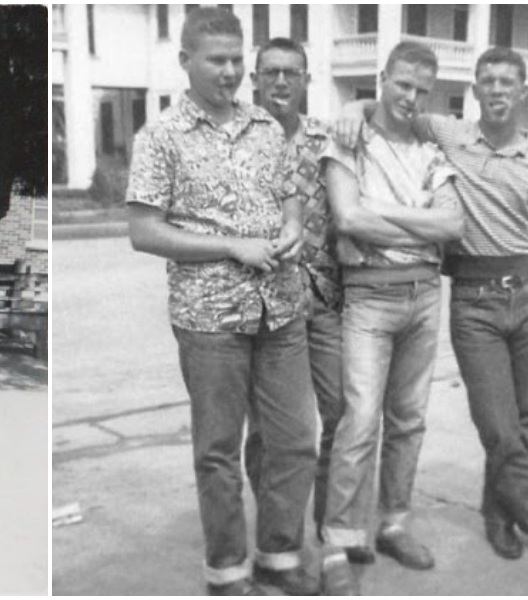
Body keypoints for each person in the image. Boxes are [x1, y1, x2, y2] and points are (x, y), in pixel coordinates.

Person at [335, 47, 528, 561]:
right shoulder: (449, 135)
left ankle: (501, 516)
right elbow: (384, 105)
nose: (496, 90)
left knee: (523, 421)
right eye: (487, 80)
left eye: (507, 82)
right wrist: (349, 109)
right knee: (497, 421)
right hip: (475, 300)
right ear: (474, 89)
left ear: (523, 92)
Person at [126, 8, 317, 596]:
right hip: (210, 320)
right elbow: (144, 231)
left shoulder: (266, 127)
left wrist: (292, 230)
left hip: (281, 311)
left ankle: (279, 558)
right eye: (218, 60)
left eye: (238, 59)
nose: (232, 71)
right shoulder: (159, 137)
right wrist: (232, 246)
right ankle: (227, 572)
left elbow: (290, 201)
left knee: (293, 442)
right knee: (218, 452)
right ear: (186, 62)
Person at [317, 41, 464, 594]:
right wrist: (414, 222)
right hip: (370, 300)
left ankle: (395, 523)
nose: (411, 97)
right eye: (403, 84)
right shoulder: (348, 139)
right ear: (382, 78)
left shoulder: (430, 149)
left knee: (409, 419)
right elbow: (347, 215)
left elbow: (453, 226)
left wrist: (379, 213)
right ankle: (338, 540)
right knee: (358, 420)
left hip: (425, 297)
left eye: (422, 90)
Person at [240, 37, 344, 541]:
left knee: (341, 411)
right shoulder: (233, 138)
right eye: (271, 71)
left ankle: (329, 522)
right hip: (264, 306)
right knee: (267, 427)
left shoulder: (326, 138)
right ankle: (277, 530)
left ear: (307, 80)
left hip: (324, 299)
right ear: (254, 78)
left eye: (292, 72)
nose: (281, 81)